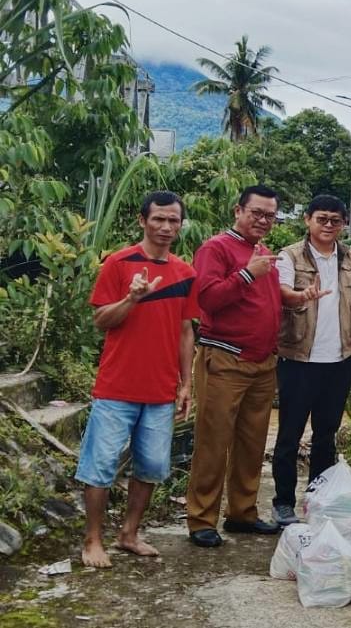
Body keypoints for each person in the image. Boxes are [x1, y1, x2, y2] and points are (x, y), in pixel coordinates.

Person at [76, 191, 199, 567]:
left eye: (172, 220)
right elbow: (100, 321)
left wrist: (186, 384)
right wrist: (131, 299)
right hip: (117, 388)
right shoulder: (118, 263)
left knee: (150, 466)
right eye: (158, 219)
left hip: (161, 392)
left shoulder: (185, 272)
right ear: (142, 220)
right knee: (101, 465)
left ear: (180, 225)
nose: (165, 227)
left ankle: (129, 533)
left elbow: (184, 332)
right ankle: (92, 540)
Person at [186, 185, 284, 547]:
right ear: (237, 210)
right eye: (256, 212)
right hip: (225, 357)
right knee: (213, 440)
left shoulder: (261, 252)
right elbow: (206, 299)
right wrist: (246, 274)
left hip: (261, 361)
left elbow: (265, 302)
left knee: (252, 441)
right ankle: (200, 519)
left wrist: (297, 298)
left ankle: (242, 513)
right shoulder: (216, 248)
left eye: (270, 215)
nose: (263, 220)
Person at [270, 195, 351, 525]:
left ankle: (317, 498)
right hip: (299, 358)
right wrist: (302, 296)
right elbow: (282, 294)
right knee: (289, 433)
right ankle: (283, 502)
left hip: (340, 360)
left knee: (326, 433)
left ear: (343, 224)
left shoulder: (350, 257)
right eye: (322, 219)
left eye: (335, 221)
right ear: (307, 220)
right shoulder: (290, 256)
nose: (328, 226)